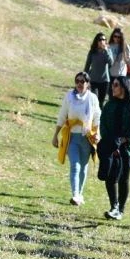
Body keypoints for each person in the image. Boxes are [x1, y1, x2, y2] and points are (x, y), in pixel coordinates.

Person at [52, 71, 101, 206]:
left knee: (84, 166)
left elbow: (97, 117)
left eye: (82, 81)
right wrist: (55, 135)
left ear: (88, 83)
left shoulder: (92, 98)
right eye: (77, 81)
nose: (79, 84)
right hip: (72, 137)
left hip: (86, 137)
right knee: (75, 165)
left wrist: (97, 133)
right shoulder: (69, 97)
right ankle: (75, 194)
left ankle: (80, 193)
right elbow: (62, 115)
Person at [98, 76, 130, 220]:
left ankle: (121, 210)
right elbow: (103, 124)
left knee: (123, 178)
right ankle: (114, 206)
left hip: (127, 149)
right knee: (110, 177)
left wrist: (122, 141)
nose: (113, 87)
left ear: (124, 87)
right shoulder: (109, 105)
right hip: (110, 147)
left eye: (116, 85)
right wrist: (111, 143)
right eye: (113, 84)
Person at [84, 32, 113, 110]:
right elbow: (87, 65)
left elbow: (111, 63)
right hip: (93, 80)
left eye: (104, 39)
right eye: (100, 39)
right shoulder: (92, 52)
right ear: (96, 41)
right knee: (94, 99)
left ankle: (100, 120)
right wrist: (84, 78)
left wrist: (106, 51)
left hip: (105, 81)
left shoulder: (107, 51)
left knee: (101, 102)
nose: (102, 41)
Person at [107, 28, 130, 95]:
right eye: (115, 36)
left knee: (120, 94)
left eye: (119, 37)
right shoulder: (109, 46)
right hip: (111, 74)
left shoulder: (125, 47)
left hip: (121, 75)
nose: (116, 38)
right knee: (111, 95)